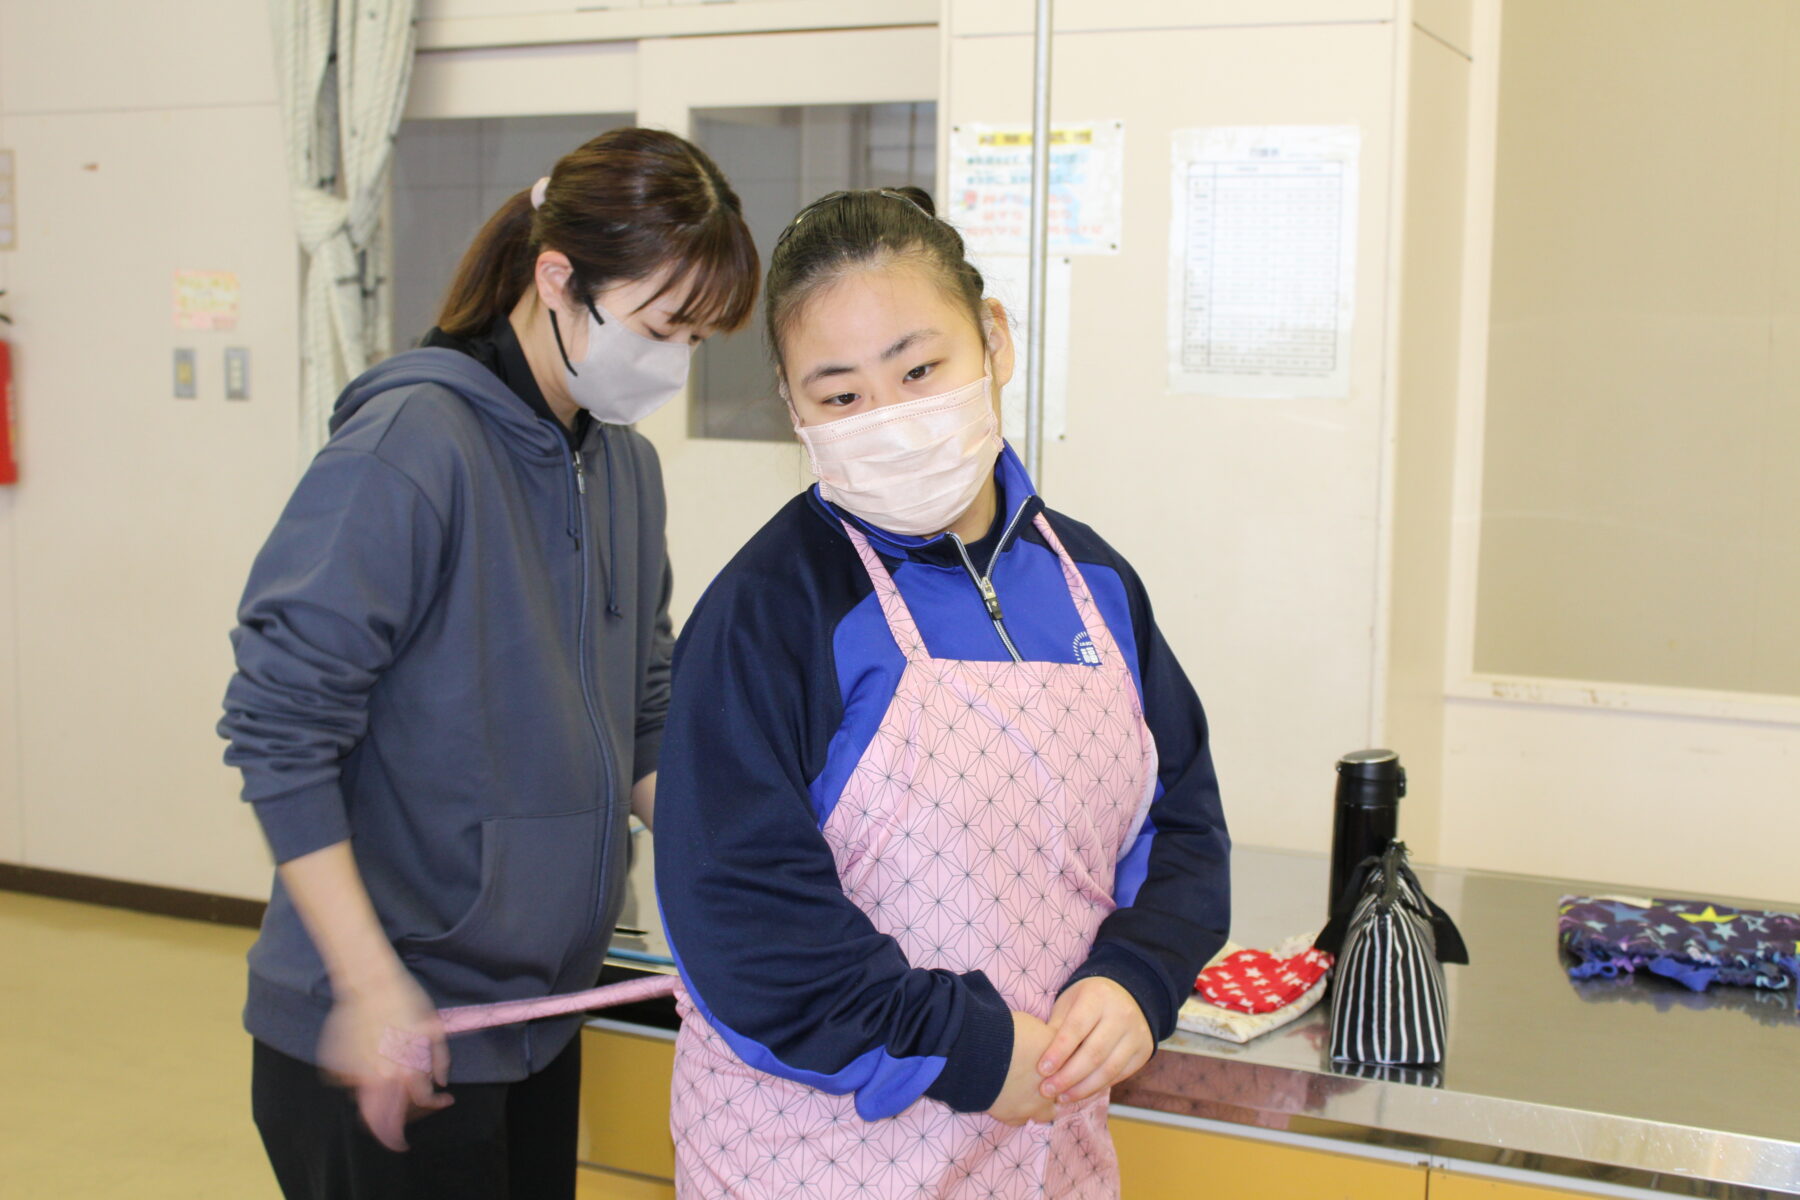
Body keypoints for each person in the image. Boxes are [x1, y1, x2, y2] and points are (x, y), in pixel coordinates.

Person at [654, 187, 1232, 1198]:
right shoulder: (769, 610)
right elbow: (743, 917)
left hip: (1044, 1153)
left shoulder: (1094, 589)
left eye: (921, 369)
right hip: (815, 1164)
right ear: (796, 410)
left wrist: (1135, 978)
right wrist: (959, 1044)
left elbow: (1182, 830)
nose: (892, 418)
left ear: (994, 341)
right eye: (841, 396)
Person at [219, 127, 757, 1200]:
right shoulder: (414, 445)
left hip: (533, 1022)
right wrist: (369, 987)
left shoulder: (625, 469)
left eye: (698, 339)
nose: (674, 365)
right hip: (387, 1027)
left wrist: (746, 880)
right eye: (659, 327)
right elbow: (278, 725)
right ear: (558, 279)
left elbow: (642, 711)